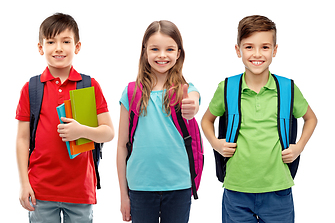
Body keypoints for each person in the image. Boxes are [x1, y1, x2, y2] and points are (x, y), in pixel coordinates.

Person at [201, 15, 317, 223]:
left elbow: (311, 119)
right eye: (249, 47)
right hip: (236, 189)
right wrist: (216, 143)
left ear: (274, 50)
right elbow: (206, 120)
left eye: (264, 47)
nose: (257, 54)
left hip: (278, 189)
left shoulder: (287, 88)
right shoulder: (227, 88)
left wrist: (298, 147)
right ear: (238, 50)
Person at [15, 13, 114, 223]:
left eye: (65, 41)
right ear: (41, 48)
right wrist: (24, 184)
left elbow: (108, 132)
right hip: (40, 190)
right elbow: (22, 139)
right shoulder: (31, 88)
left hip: (79, 190)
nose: (58, 48)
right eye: (51, 42)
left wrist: (82, 131)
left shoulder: (89, 85)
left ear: (77, 47)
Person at [117, 20, 200, 223]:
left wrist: (193, 105)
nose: (162, 55)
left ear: (178, 53)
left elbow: (194, 100)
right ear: (145, 51)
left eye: (169, 49)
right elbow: (121, 146)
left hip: (179, 186)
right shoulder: (130, 92)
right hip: (139, 187)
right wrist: (123, 195)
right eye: (155, 49)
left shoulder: (185, 90)